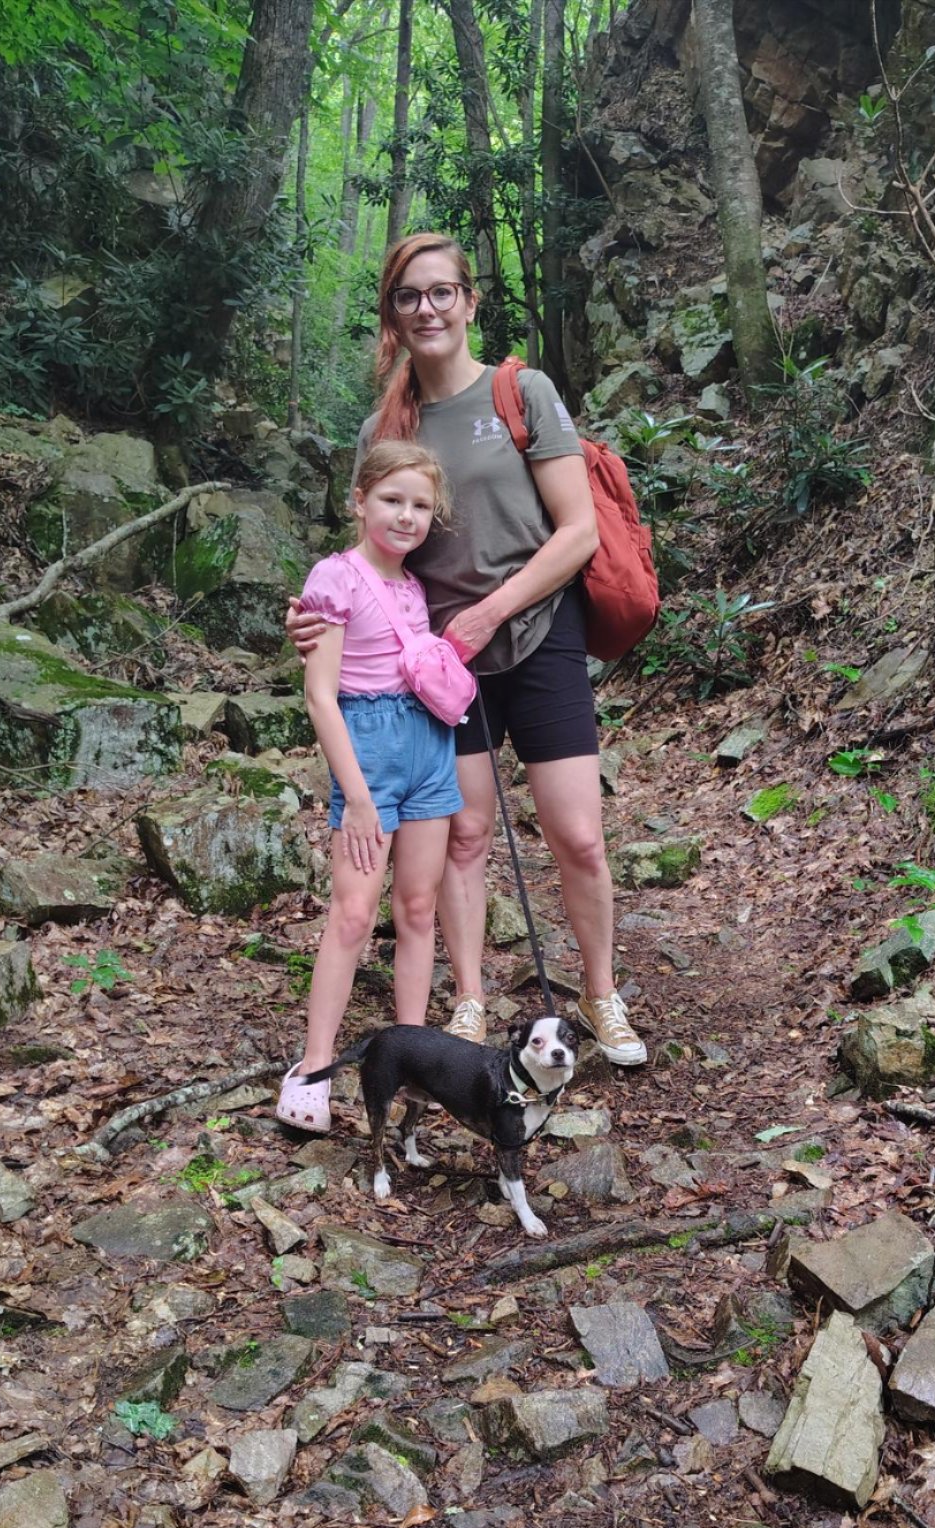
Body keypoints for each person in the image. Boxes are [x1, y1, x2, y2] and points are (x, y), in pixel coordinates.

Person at [284, 232, 647, 1068]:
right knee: (467, 834)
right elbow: (368, 559)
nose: (427, 309)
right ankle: (470, 999)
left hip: (537, 632)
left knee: (578, 834)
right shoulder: (386, 424)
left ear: (469, 301)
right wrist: (315, 619)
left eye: (441, 292)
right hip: (432, 665)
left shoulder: (521, 393)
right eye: (408, 296)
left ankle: (600, 993)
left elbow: (577, 532)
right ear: (392, 311)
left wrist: (490, 614)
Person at [275, 440, 463, 1133]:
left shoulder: (415, 586)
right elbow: (320, 696)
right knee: (353, 915)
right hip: (368, 754)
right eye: (391, 500)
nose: (406, 516)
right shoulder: (336, 577)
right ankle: (314, 1066)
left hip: (429, 750)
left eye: (420, 506)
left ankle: (413, 1062)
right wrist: (355, 796)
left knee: (416, 908)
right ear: (359, 501)